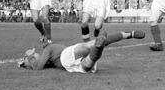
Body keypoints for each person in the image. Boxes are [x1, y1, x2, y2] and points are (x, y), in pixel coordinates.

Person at [17, 30, 145, 73]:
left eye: (35, 53)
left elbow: (38, 66)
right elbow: (38, 66)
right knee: (88, 57)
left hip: (67, 59)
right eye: (34, 54)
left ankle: (102, 43)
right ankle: (125, 34)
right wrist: (26, 61)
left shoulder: (48, 50)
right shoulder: (48, 54)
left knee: (88, 59)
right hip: (68, 61)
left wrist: (29, 58)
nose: (36, 54)